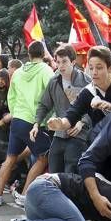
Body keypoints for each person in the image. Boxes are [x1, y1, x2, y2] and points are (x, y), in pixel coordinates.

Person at [0, 41, 54, 206]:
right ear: (43, 54)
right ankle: (25, 195)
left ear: (29, 54)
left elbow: (10, 97)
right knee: (44, 157)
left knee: (10, 158)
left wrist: (15, 112)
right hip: (34, 122)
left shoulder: (18, 72)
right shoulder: (46, 70)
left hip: (17, 119)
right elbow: (52, 94)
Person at [48, 46, 111, 134]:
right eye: (91, 68)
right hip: (102, 148)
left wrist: (109, 107)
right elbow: (72, 114)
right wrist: (60, 124)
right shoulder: (87, 92)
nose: (94, 73)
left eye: (99, 68)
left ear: (110, 68)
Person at [34, 43, 91, 174]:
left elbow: (93, 107)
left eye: (64, 61)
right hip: (59, 133)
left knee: (71, 169)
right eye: (58, 62)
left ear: (73, 61)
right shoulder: (53, 81)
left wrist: (82, 122)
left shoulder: (86, 81)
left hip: (79, 134)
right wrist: (36, 123)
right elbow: (44, 105)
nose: (61, 65)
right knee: (53, 167)